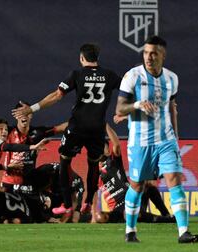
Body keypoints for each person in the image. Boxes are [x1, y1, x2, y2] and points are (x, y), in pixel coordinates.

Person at [12, 44, 121, 222]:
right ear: (97, 58)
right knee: (94, 164)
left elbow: (56, 95)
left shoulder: (76, 74)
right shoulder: (109, 75)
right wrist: (123, 112)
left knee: (64, 160)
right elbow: (128, 87)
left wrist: (31, 109)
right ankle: (87, 203)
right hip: (97, 128)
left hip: (77, 127)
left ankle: (68, 205)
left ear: (81, 58)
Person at [115, 35, 198, 243]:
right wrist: (137, 105)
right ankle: (130, 231)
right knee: (137, 186)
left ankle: (183, 232)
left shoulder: (172, 79)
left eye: (153, 53)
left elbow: (171, 107)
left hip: (166, 140)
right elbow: (119, 108)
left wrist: (176, 137)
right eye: (145, 53)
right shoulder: (132, 76)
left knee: (174, 180)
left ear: (163, 55)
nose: (148, 57)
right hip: (140, 142)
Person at [0, 99, 66, 191]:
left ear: (31, 114)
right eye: (20, 113)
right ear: (15, 116)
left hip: (29, 182)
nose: (24, 115)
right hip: (9, 182)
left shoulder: (39, 132)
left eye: (27, 112)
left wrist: (80, 120)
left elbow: (61, 128)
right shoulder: (8, 131)